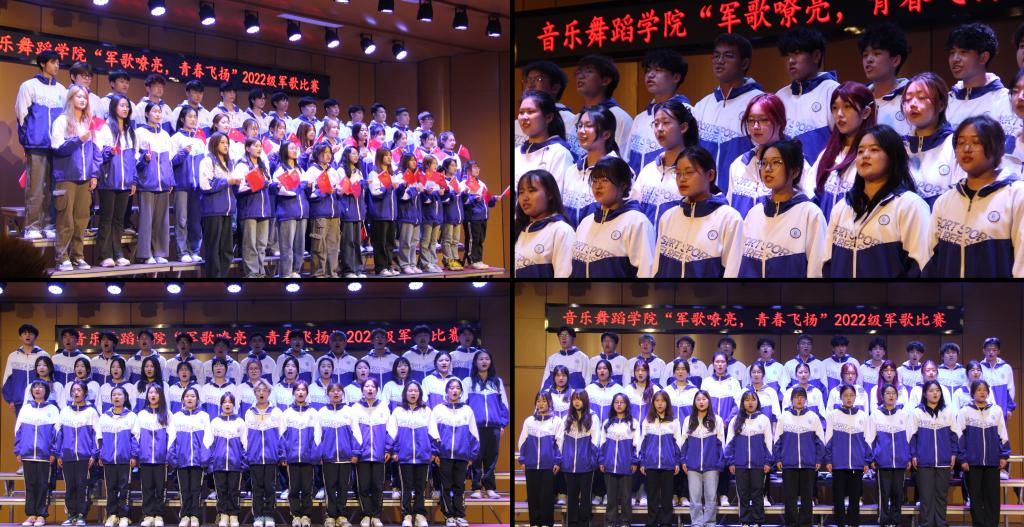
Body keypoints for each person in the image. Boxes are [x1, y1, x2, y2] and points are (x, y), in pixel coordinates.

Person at [823, 125, 931, 277]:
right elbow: (827, 263)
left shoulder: (910, 205)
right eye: (860, 151)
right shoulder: (842, 207)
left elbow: (920, 266)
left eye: (874, 150)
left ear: (892, 156)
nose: (865, 155)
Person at [925, 115, 1024, 277]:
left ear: (996, 147)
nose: (966, 148)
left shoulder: (1017, 195)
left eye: (976, 142)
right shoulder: (945, 201)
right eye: (960, 143)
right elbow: (932, 260)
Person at [740, 139, 827, 277]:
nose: (768, 169)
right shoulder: (754, 213)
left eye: (776, 162)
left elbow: (816, 271)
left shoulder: (810, 214)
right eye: (764, 163)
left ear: (795, 172)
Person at [654, 145, 742, 278]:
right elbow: (657, 269)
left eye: (689, 172)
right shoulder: (668, 217)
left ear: (710, 175)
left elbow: (732, 272)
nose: (682, 179)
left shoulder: (729, 219)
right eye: (678, 173)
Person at [694, 33, 765, 187]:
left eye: (728, 56)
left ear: (744, 63)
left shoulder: (759, 103)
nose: (720, 61)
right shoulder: (702, 106)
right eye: (716, 56)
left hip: (743, 193)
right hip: (706, 197)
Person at [727, 93, 803, 217]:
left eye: (764, 120)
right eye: (751, 120)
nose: (756, 126)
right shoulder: (739, 165)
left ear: (780, 122)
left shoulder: (795, 162)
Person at [16, 50, 66, 240]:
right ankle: (32, 226)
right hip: (36, 144)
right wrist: (26, 142)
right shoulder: (28, 86)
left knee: (53, 188)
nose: (57, 66)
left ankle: (49, 225)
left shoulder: (62, 90)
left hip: (56, 147)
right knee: (36, 187)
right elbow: (21, 115)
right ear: (43, 64)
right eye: (53, 62)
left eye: (58, 62)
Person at [51, 83, 100, 271]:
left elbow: (96, 152)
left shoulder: (89, 123)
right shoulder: (61, 121)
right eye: (78, 96)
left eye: (85, 97)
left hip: (85, 179)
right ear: (70, 99)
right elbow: (57, 149)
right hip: (67, 177)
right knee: (66, 220)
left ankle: (77, 256)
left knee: (81, 219)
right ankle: (62, 257)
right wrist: (78, 140)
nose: (82, 100)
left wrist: (94, 174)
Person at [811, 82, 878, 220]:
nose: (839, 114)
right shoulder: (826, 154)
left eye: (847, 107)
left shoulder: (874, 156)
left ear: (866, 112)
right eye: (835, 108)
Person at [775, 26, 839, 164]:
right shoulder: (779, 96)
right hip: (786, 176)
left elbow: (845, 143)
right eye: (787, 55)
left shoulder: (834, 91)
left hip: (824, 175)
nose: (791, 60)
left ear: (816, 56)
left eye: (797, 53)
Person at [630, 98, 699, 227]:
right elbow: (633, 212)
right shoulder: (648, 170)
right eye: (656, 124)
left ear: (683, 127)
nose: (659, 129)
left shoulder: (694, 172)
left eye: (666, 123)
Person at [624, 48, 691, 175]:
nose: (650, 75)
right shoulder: (640, 118)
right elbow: (628, 159)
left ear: (676, 77)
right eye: (648, 70)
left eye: (658, 70)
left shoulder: (687, 112)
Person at [945, 22, 1017, 138]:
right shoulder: (946, 101)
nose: (955, 59)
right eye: (952, 53)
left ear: (983, 57)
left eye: (963, 52)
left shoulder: (1005, 100)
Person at [901, 72, 963, 205]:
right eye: (908, 99)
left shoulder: (955, 144)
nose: (913, 104)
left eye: (921, 97)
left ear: (941, 105)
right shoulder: (899, 147)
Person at [957, 380, 1011, 527]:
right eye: (979, 390)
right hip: (972, 463)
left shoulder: (996, 410)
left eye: (984, 390)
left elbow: (1003, 435)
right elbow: (959, 437)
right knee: (976, 499)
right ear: (973, 393)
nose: (982, 392)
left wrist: (1003, 455)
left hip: (992, 462)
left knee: (993, 498)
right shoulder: (964, 411)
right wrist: (963, 459)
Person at [908, 380, 962, 527]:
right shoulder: (917, 412)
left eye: (937, 390)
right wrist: (914, 455)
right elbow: (911, 437)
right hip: (924, 461)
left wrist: (953, 453)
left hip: (944, 461)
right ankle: (926, 524)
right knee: (926, 497)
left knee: (941, 496)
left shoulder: (948, 412)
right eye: (931, 391)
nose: (935, 393)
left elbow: (954, 436)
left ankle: (941, 523)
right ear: (925, 394)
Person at [773, 386, 824, 527]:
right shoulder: (783, 417)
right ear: (791, 400)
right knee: (790, 498)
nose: (799, 400)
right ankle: (791, 524)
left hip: (808, 464)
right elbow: (777, 441)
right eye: (796, 397)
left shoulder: (813, 417)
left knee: (807, 498)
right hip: (789, 464)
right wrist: (778, 458)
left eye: (802, 397)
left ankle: (806, 524)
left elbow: (820, 440)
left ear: (806, 399)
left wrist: (818, 459)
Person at [825, 384, 873, 527]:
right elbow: (828, 439)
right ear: (841, 397)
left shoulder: (863, 416)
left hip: (857, 465)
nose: (849, 398)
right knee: (838, 498)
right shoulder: (833, 415)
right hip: (838, 464)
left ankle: (853, 524)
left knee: (855, 499)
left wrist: (866, 461)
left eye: (851, 395)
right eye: (846, 395)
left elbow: (867, 440)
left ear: (855, 397)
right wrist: (828, 460)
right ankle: (840, 523)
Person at [463, 350, 509, 499]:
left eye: (487, 359)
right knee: (476, 458)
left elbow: (504, 405)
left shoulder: (497, 382)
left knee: (491, 458)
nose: (484, 361)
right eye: (481, 359)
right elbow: (464, 406)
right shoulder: (468, 382)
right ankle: (476, 488)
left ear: (490, 362)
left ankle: (490, 488)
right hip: (475, 427)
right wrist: (467, 426)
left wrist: (502, 424)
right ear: (475, 362)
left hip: (494, 427)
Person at [135, 102, 176, 264]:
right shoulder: (140, 132)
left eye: (160, 112)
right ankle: (146, 254)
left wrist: (170, 180)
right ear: (147, 114)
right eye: (154, 111)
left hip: (163, 183)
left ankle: (159, 252)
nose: (158, 114)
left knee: (161, 221)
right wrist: (143, 159)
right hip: (147, 182)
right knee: (146, 220)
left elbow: (169, 160)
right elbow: (134, 156)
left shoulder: (165, 135)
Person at [385, 381, 431, 527]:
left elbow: (433, 433)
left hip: (423, 457)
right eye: (410, 390)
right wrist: (392, 451)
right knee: (406, 487)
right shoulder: (398, 411)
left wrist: (433, 452)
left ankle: (420, 515)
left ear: (420, 393)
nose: (413, 393)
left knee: (420, 488)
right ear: (405, 393)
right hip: (404, 457)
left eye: (416, 391)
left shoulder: (426, 411)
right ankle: (407, 516)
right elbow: (391, 432)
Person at [724, 390, 773, 527]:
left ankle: (758, 521)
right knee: (743, 494)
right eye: (747, 400)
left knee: (758, 494)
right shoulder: (735, 420)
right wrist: (731, 462)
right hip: (740, 465)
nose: (750, 403)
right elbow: (729, 444)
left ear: (757, 402)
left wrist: (768, 462)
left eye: (753, 399)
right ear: (742, 403)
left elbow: (769, 443)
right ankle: (744, 521)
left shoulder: (764, 420)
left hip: (759, 465)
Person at [571, 54, 633, 158]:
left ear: (605, 80)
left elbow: (622, 159)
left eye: (589, 71)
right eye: (579, 72)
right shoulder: (575, 118)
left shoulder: (620, 118)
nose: (581, 76)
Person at [516, 61, 583, 158]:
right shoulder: (516, 124)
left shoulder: (574, 122)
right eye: (527, 80)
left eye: (538, 79)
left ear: (555, 88)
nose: (530, 85)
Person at [514, 169, 574, 277]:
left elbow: (563, 276)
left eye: (531, 191)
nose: (525, 197)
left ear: (550, 194)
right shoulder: (519, 230)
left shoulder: (562, 230)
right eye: (521, 192)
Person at [566, 106, 618, 228]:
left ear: (606, 134)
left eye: (588, 126)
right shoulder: (571, 171)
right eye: (579, 126)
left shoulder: (619, 171)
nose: (581, 131)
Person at [56, 381, 99, 527]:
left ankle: (81, 515)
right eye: (74, 390)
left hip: (85, 457)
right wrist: (59, 454)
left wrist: (93, 455)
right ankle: (71, 515)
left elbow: (96, 435)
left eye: (79, 390)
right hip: (67, 456)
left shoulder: (91, 412)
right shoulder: (64, 411)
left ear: (84, 393)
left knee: (82, 486)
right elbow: (59, 434)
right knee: (70, 487)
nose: (76, 393)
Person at [859, 23, 913, 137]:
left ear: (895, 60)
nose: (869, 60)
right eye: (865, 55)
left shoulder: (911, 98)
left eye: (876, 53)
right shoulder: (859, 100)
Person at [638, 391, 683, 527]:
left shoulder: (674, 421)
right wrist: (643, 462)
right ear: (653, 403)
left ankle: (666, 523)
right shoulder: (647, 421)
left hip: (668, 465)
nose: (660, 403)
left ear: (667, 403)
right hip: (651, 465)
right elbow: (642, 443)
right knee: (652, 496)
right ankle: (652, 522)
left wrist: (677, 462)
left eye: (663, 400)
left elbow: (678, 443)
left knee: (667, 497)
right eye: (657, 400)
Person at [318, 382, 360, 527]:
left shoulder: (350, 411)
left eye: (338, 390)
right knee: (329, 488)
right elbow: (317, 436)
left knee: (343, 487)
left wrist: (355, 452)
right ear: (328, 394)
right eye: (332, 391)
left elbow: (356, 433)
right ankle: (330, 516)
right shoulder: (322, 412)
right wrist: (320, 454)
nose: (336, 393)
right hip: (328, 458)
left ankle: (341, 516)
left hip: (346, 458)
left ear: (342, 393)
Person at [680, 390, 724, 527]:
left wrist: (719, 462)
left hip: (711, 466)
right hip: (692, 466)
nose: (701, 402)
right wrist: (683, 460)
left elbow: (721, 443)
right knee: (695, 499)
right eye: (698, 399)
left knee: (711, 498)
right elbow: (683, 442)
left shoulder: (717, 420)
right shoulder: (688, 420)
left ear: (709, 401)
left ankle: (710, 523)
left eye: (704, 399)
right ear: (694, 402)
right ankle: (697, 523)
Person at [351, 378, 391, 527]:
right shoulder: (355, 408)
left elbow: (390, 430)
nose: (370, 389)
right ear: (362, 390)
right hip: (362, 455)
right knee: (363, 487)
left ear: (377, 390)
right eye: (367, 386)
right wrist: (356, 452)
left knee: (377, 487)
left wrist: (387, 449)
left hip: (379, 455)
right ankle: (366, 515)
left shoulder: (383, 406)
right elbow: (353, 432)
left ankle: (376, 516)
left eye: (373, 386)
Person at [167, 386, 209, 527]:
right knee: (184, 490)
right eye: (187, 396)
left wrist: (204, 458)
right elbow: (171, 438)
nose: (190, 398)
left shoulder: (204, 416)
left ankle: (195, 516)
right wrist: (173, 459)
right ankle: (185, 515)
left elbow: (208, 439)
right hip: (182, 460)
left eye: (192, 396)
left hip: (198, 461)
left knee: (196, 490)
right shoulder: (176, 417)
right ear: (182, 399)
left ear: (197, 399)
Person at [515, 90, 575, 188]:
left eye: (530, 112)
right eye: (521, 112)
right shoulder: (517, 152)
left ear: (548, 117)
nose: (524, 117)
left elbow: (557, 195)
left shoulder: (559, 153)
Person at [871, 383, 912, 527]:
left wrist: (907, 457)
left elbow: (908, 439)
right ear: (882, 396)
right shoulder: (875, 414)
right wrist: (873, 458)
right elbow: (870, 439)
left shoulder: (903, 415)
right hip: (883, 462)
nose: (891, 396)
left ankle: (895, 520)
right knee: (884, 493)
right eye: (888, 393)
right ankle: (883, 520)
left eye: (893, 393)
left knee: (898, 493)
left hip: (900, 461)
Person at [95, 385, 137, 527]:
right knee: (111, 488)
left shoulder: (131, 416)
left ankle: (124, 516)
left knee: (124, 488)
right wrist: (101, 454)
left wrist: (133, 455)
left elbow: (136, 438)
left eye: (119, 394)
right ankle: (112, 515)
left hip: (125, 459)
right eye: (114, 395)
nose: (116, 397)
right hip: (108, 460)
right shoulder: (104, 417)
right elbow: (99, 438)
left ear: (125, 398)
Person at [518, 391, 561, 527]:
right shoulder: (529, 421)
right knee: (533, 497)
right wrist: (522, 459)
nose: (541, 404)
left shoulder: (556, 421)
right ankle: (535, 524)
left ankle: (547, 524)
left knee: (547, 498)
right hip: (531, 466)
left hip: (548, 466)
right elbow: (522, 441)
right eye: (538, 401)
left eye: (544, 401)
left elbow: (560, 443)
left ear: (549, 403)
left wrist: (557, 461)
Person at [280, 381, 320, 527]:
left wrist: (315, 456)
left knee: (308, 489)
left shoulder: (313, 413)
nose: (300, 392)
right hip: (292, 459)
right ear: (294, 393)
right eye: (298, 390)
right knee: (294, 489)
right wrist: (283, 455)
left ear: (307, 393)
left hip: (308, 458)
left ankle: (306, 516)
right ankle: (296, 515)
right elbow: (282, 436)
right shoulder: (287, 413)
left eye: (303, 390)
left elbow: (317, 436)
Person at [204, 393, 246, 527]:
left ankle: (233, 515)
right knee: (221, 491)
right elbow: (209, 443)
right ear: (221, 405)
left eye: (230, 402)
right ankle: (223, 515)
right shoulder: (215, 422)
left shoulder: (240, 422)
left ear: (234, 405)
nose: (227, 404)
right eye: (225, 402)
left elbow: (245, 444)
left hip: (235, 464)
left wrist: (243, 462)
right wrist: (212, 462)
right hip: (219, 464)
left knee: (234, 490)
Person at [597, 393, 638, 527]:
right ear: (613, 405)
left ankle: (625, 522)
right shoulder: (607, 423)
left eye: (622, 402)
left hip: (626, 466)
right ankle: (610, 522)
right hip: (609, 465)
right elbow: (602, 443)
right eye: (616, 402)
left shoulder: (633, 423)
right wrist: (602, 460)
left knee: (626, 498)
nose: (619, 405)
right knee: (611, 498)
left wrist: (634, 461)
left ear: (627, 405)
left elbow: (637, 444)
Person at [134, 383, 170, 527]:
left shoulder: (167, 414)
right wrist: (137, 455)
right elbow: (136, 437)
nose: (153, 395)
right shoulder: (141, 414)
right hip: (145, 459)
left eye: (156, 392)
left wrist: (168, 456)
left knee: (160, 489)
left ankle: (159, 515)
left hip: (162, 460)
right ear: (147, 396)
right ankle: (148, 515)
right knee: (147, 488)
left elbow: (172, 437)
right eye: (150, 392)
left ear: (160, 396)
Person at [395, 153, 424, 274]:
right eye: (411, 160)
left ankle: (412, 264)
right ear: (405, 162)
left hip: (416, 214)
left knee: (414, 241)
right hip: (406, 214)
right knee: (405, 241)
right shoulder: (400, 176)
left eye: (415, 160)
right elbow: (403, 196)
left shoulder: (416, 176)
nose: (414, 162)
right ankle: (404, 264)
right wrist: (415, 190)